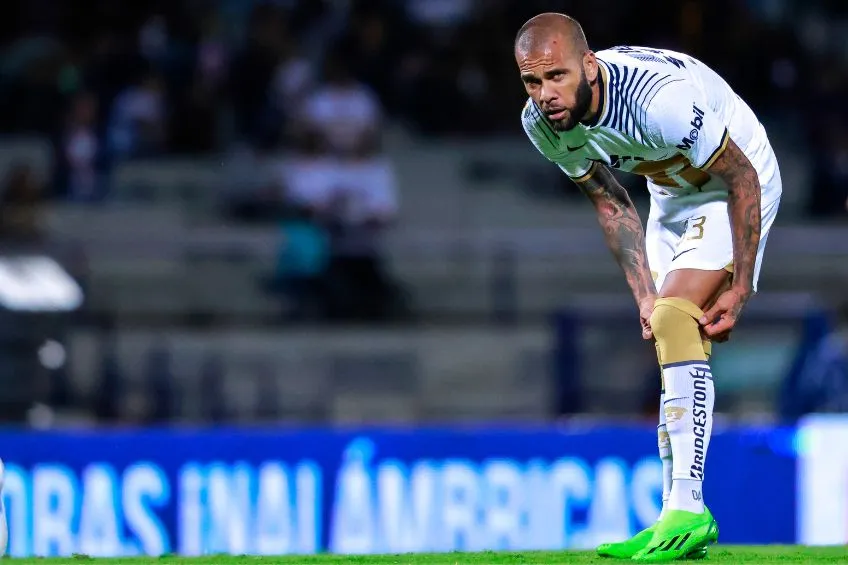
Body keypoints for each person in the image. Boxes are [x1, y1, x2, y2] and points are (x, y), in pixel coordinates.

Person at [515, 13, 781, 561]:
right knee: (665, 332)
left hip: (737, 176)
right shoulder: (541, 124)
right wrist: (642, 293)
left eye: (558, 76)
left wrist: (742, 286)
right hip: (670, 191)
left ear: (589, 67)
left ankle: (689, 511)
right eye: (532, 82)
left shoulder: (657, 100)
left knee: (676, 317)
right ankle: (673, 517)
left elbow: (740, 177)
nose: (546, 94)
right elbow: (610, 201)